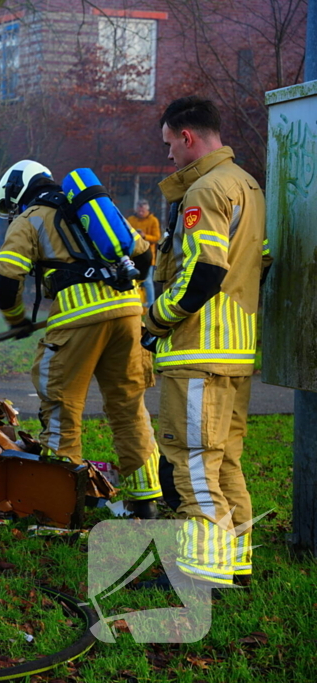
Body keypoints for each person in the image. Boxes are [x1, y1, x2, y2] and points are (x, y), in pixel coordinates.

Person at [143, 96, 272, 588]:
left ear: (187, 136)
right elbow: (262, 261)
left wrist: (155, 321)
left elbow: (205, 270)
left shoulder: (204, 190)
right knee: (225, 461)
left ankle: (200, 571)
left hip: (199, 351)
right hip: (237, 352)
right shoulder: (247, 186)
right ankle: (235, 561)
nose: (168, 155)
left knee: (191, 460)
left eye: (169, 143)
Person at [0, 160, 162, 518]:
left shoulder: (31, 218)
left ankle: (59, 508)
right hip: (130, 312)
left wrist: (17, 319)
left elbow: (6, 278)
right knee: (129, 407)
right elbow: (145, 256)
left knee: (61, 408)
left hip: (77, 319)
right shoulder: (95, 210)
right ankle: (146, 503)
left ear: (18, 192)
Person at [126, 200, 161, 305]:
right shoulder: (131, 220)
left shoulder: (153, 220)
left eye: (143, 210)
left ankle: (150, 304)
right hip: (132, 256)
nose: (141, 211)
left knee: (147, 281)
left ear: (147, 210)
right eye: (139, 209)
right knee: (131, 280)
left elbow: (157, 237)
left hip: (147, 257)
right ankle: (133, 302)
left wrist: (144, 236)